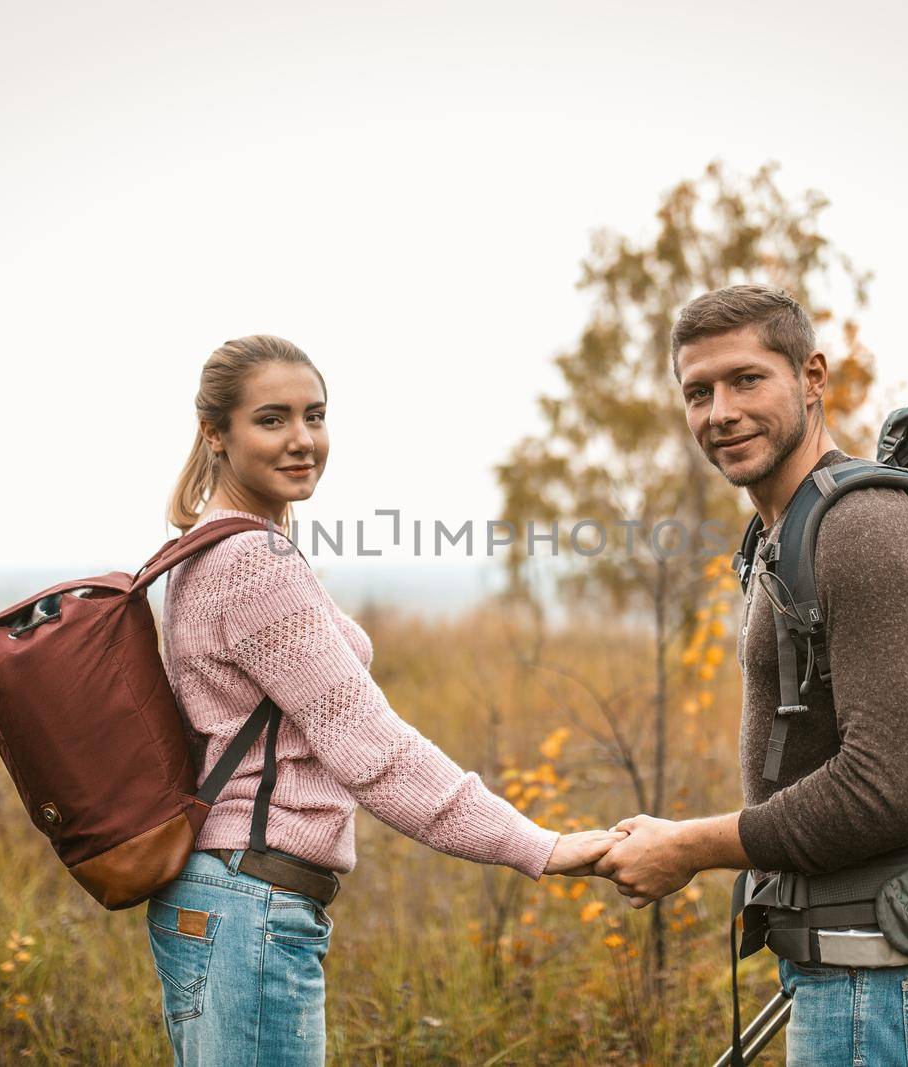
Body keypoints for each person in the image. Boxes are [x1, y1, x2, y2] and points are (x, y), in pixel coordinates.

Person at [150, 334, 621, 1066]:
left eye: (315, 414)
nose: (303, 439)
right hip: (253, 904)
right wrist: (541, 846)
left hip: (223, 901)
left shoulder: (204, 548)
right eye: (271, 419)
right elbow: (374, 751)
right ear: (216, 432)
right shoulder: (252, 563)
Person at [592, 286, 908, 1065]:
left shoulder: (867, 529)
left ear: (812, 377)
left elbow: (891, 788)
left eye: (748, 380)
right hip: (850, 962)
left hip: (881, 976)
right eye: (698, 392)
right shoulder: (787, 530)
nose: (721, 412)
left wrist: (690, 845)